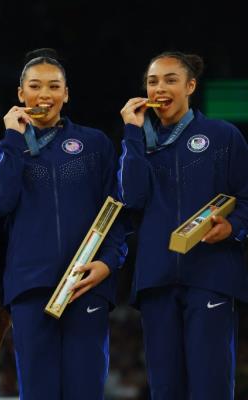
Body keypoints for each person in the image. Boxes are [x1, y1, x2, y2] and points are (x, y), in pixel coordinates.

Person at [0, 48, 127, 399]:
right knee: (38, 392)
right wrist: (13, 140)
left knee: (85, 390)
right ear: (21, 94)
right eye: (34, 86)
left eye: (53, 86)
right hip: (30, 287)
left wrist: (108, 263)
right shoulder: (4, 149)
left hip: (86, 283)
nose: (44, 94)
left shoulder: (94, 144)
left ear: (66, 94)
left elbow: (115, 210)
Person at [118, 51, 248, 399]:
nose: (160, 87)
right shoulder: (139, 144)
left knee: (211, 386)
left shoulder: (223, 136)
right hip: (156, 279)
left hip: (211, 274)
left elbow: (246, 197)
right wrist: (132, 133)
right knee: (166, 390)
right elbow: (131, 198)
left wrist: (233, 227)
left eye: (170, 79)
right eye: (152, 81)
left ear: (190, 85)